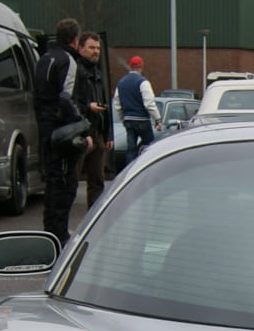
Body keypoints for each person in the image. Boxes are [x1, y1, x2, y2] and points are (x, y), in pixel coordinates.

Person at [33, 17, 91, 243]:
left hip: (45, 128)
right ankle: (59, 235)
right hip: (62, 132)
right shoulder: (68, 61)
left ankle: (50, 232)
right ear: (76, 40)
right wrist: (82, 127)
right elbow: (66, 98)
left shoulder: (44, 58)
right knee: (65, 184)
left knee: (51, 184)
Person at [73, 30, 112, 208]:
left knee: (97, 181)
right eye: (91, 48)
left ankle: (94, 218)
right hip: (80, 132)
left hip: (97, 133)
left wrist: (108, 134)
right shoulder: (75, 72)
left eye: (97, 48)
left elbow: (106, 104)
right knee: (72, 179)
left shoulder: (98, 74)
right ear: (81, 48)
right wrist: (88, 107)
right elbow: (71, 102)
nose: (95, 51)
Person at [112, 55, 160, 168]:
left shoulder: (121, 83)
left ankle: (129, 171)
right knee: (149, 147)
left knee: (131, 149)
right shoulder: (143, 82)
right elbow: (149, 103)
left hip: (128, 120)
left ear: (130, 66)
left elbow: (117, 105)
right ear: (141, 67)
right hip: (142, 119)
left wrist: (123, 119)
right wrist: (157, 119)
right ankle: (149, 168)